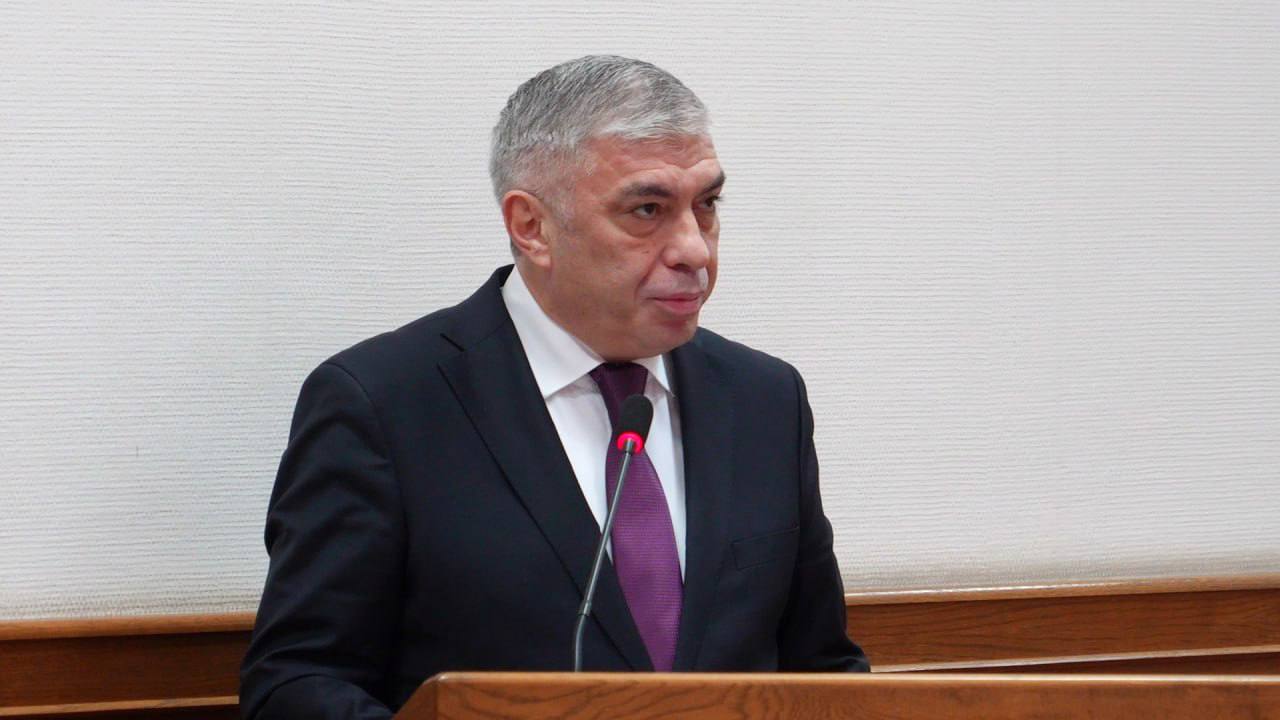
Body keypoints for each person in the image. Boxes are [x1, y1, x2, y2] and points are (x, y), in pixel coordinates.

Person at [240, 55, 867, 720]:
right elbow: (295, 685)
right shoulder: (383, 405)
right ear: (531, 227)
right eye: (647, 209)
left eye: (706, 205)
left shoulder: (765, 399)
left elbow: (824, 671)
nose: (695, 250)